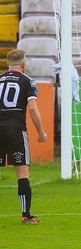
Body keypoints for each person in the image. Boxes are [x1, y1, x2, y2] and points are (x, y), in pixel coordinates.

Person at [0, 50, 48, 224]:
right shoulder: (27, 81)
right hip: (15, 130)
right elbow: (33, 108)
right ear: (23, 64)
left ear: (7, 64)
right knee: (22, 173)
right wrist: (41, 132)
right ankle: (26, 215)